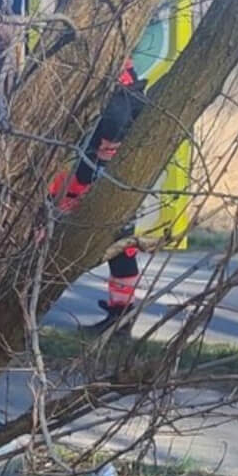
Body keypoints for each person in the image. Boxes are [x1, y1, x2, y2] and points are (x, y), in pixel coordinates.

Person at [50, 57, 149, 331]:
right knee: (123, 247)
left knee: (116, 246)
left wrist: (105, 144)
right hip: (114, 175)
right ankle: (121, 313)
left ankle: (121, 317)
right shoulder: (131, 86)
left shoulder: (116, 87)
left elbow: (113, 122)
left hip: (100, 174)